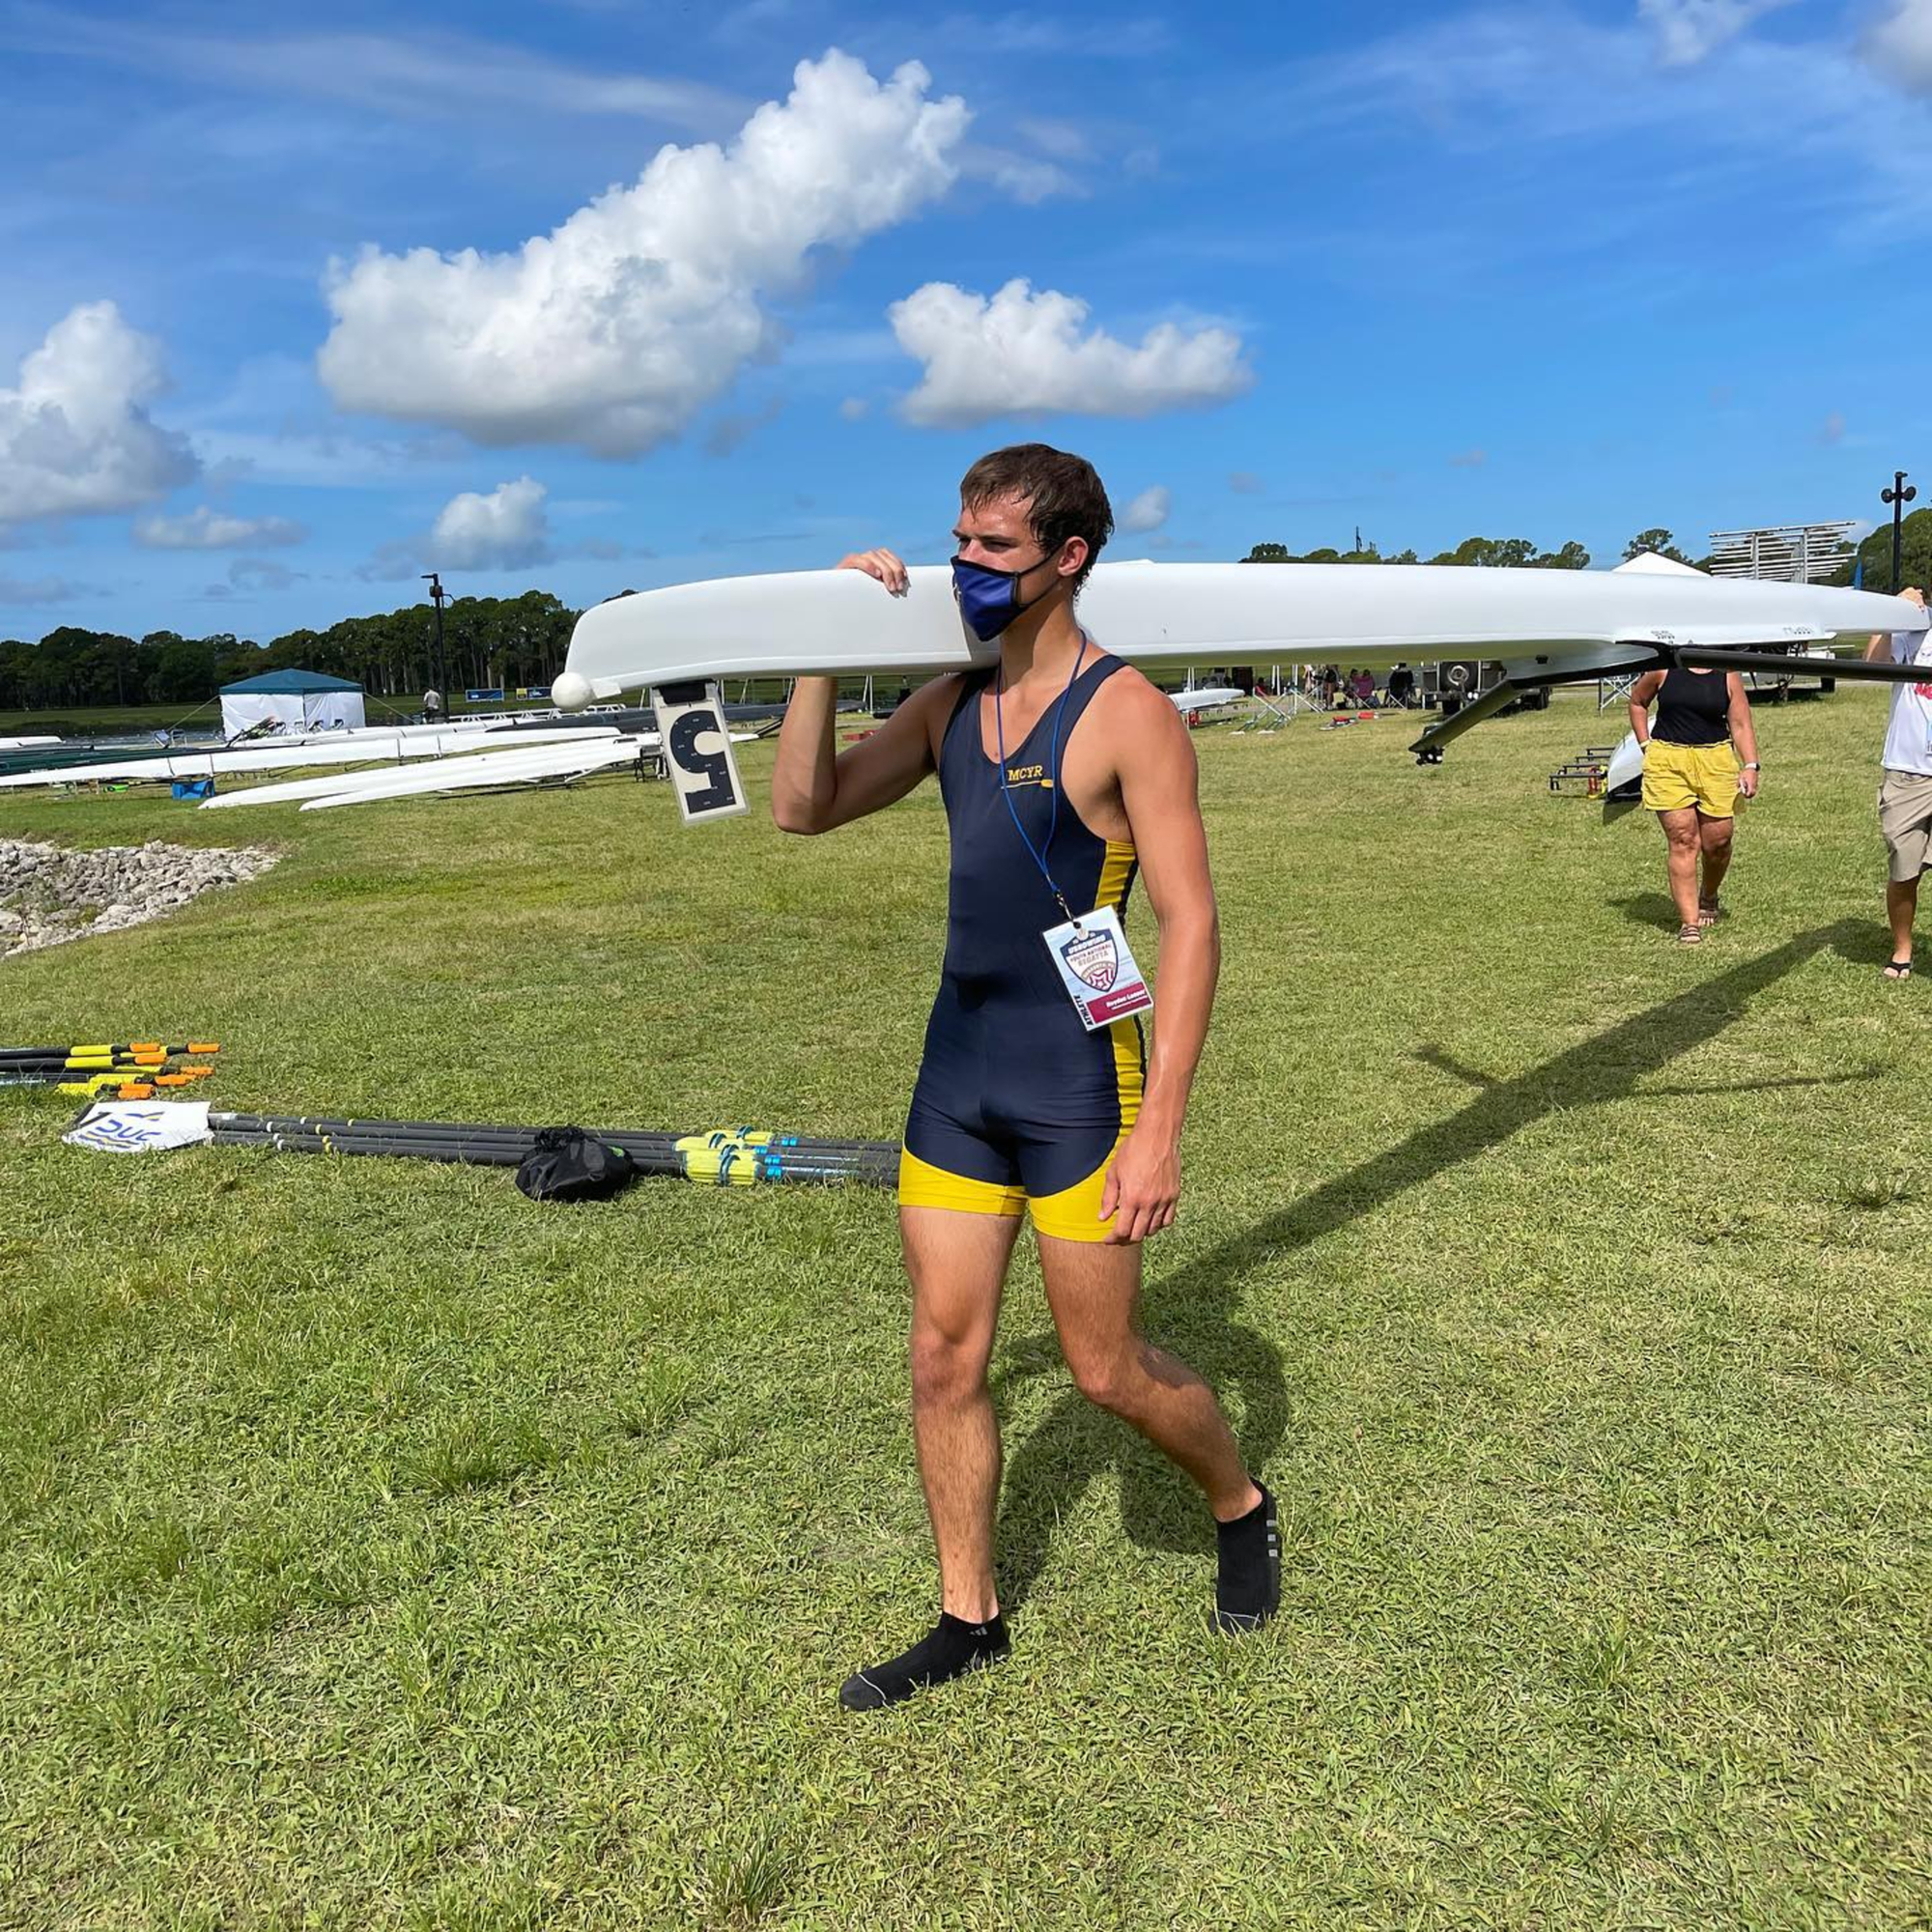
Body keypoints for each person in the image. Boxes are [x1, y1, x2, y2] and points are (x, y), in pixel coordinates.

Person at [771, 443, 1276, 1712]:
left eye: (994, 548)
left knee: (1104, 1371)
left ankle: (1238, 1499)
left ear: (1068, 559)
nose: (965, 566)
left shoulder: (1130, 715)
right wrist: (821, 644)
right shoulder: (949, 704)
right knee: (945, 1356)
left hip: (1078, 1086)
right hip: (958, 1079)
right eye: (959, 541)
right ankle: (969, 1615)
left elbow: (1193, 923)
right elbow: (802, 808)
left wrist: (1160, 1132)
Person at [1628, 663, 1761, 945]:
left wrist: (1750, 765)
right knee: (1683, 839)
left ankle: (1709, 895)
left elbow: (1740, 723)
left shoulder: (1727, 674)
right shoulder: (1663, 669)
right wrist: (1645, 745)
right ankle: (1689, 922)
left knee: (1718, 842)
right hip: (1668, 762)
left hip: (1716, 761)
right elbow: (1638, 702)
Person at [1865, 584, 1932, 979]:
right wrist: (1889, 614)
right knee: (1904, 867)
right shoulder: (1914, 624)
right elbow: (1873, 665)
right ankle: (1902, 949)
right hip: (1908, 770)